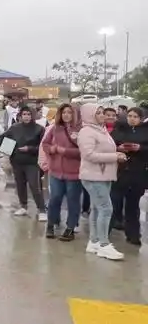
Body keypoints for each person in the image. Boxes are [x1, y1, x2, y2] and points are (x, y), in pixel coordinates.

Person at [77, 103, 127, 260]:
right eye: (98, 113)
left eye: (102, 112)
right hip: (94, 176)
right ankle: (104, 245)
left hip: (104, 175)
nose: (102, 116)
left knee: (97, 209)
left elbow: (105, 150)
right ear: (90, 115)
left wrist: (118, 153)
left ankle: (94, 241)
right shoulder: (86, 132)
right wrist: (114, 157)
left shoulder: (101, 130)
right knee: (106, 209)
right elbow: (89, 155)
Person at [0, 106, 47, 220]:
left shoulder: (39, 129)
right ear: (20, 116)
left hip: (32, 163)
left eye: (29, 114)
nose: (26, 117)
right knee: (20, 185)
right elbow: (2, 138)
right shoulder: (15, 128)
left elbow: (43, 146)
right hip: (17, 162)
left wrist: (30, 149)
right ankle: (23, 206)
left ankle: (42, 209)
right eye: (24, 114)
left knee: (35, 186)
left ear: (32, 116)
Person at [42, 103, 82, 241]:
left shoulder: (81, 130)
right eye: (64, 112)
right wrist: (51, 149)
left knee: (73, 200)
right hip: (56, 172)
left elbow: (84, 151)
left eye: (69, 112)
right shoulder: (55, 128)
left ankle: (70, 228)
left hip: (74, 173)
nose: (66, 115)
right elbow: (45, 144)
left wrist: (65, 151)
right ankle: (51, 224)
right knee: (55, 198)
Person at [109, 107, 148, 246]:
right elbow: (109, 145)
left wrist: (140, 148)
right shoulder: (119, 129)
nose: (132, 119)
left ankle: (133, 234)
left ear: (141, 118)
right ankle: (104, 233)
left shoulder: (145, 131)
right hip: (120, 171)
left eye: (135, 116)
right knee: (113, 203)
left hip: (138, 172)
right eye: (130, 116)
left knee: (133, 205)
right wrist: (118, 148)